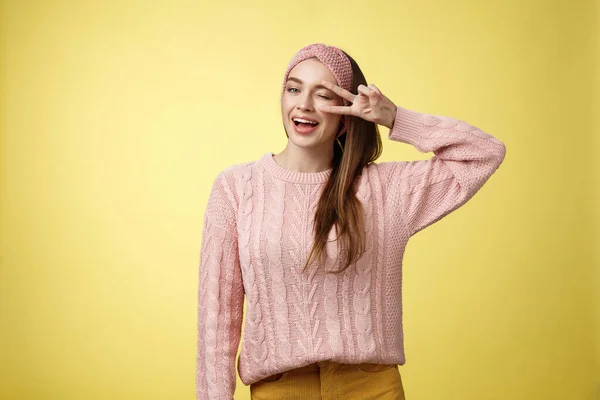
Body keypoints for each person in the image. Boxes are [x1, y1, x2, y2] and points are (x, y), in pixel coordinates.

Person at [196, 43, 506, 400]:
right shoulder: (236, 188)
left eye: (323, 95)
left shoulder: (386, 190)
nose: (304, 105)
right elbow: (217, 320)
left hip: (370, 387)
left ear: (346, 115)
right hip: (280, 389)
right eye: (294, 88)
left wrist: (395, 118)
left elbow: (484, 154)